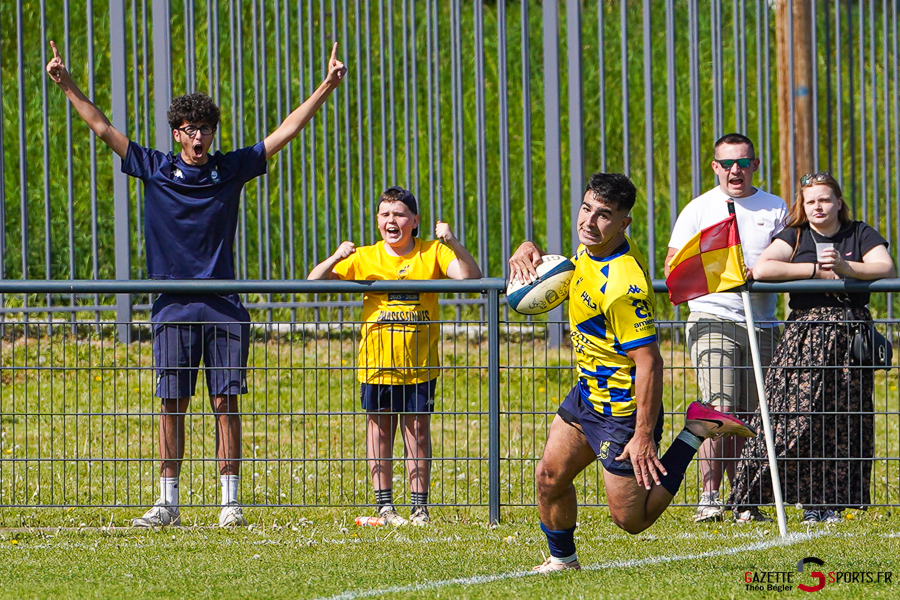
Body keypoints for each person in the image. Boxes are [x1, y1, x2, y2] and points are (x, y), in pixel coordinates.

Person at [46, 40, 347, 527]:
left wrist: (326, 87)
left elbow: (286, 131)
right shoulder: (155, 167)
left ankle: (230, 502)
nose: (201, 136)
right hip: (173, 305)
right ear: (177, 133)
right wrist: (67, 84)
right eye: (192, 129)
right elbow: (102, 127)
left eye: (207, 127)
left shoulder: (229, 169)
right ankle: (168, 501)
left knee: (225, 402)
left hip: (223, 304)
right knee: (173, 402)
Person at [509, 173, 756, 572]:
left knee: (632, 520)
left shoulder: (624, 286)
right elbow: (571, 268)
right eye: (586, 208)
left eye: (603, 215)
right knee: (549, 477)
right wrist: (527, 248)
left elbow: (650, 362)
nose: (589, 222)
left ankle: (695, 431)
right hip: (588, 392)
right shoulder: (593, 248)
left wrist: (643, 434)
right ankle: (562, 561)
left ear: (623, 223)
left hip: (621, 410)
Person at [308, 186, 481, 525]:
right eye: (385, 214)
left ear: (414, 221)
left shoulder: (432, 252)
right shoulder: (366, 256)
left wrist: (453, 242)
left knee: (417, 433)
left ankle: (419, 508)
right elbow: (314, 281)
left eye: (400, 214)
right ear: (377, 221)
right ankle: (385, 507)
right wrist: (336, 257)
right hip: (376, 364)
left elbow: (470, 277)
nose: (392, 220)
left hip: (419, 366)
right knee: (380, 432)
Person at [728, 172, 894, 523]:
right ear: (802, 206)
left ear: (838, 202)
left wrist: (848, 268)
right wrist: (814, 271)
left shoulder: (859, 232)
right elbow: (763, 268)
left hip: (849, 337)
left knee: (843, 420)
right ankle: (752, 496)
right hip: (804, 335)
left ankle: (828, 503)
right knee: (790, 417)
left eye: (825, 199)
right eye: (810, 201)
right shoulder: (795, 234)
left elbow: (885, 266)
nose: (818, 206)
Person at [665, 133, 788, 523]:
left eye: (744, 162)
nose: (736, 171)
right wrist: (719, 274)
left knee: (754, 415)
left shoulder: (776, 207)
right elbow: (674, 265)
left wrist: (763, 275)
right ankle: (710, 496)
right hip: (712, 317)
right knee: (720, 408)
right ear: (715, 167)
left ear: (756, 165)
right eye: (728, 163)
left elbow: (787, 259)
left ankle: (745, 498)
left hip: (762, 322)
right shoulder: (699, 209)